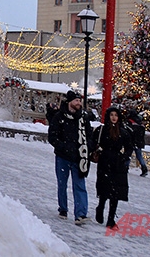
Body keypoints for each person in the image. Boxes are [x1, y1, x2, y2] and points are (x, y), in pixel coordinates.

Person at [47, 90, 94, 225]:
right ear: (69, 102)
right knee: (62, 184)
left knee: (79, 185)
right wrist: (63, 147)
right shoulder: (59, 117)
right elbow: (52, 136)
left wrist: (88, 146)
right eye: (76, 101)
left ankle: (80, 214)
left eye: (80, 101)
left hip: (79, 157)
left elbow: (90, 135)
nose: (79, 103)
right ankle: (63, 208)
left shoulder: (83, 118)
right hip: (63, 157)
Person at [92, 106, 134, 230]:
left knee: (115, 193)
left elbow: (129, 147)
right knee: (105, 189)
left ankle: (111, 219)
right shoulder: (102, 130)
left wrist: (124, 156)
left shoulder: (123, 131)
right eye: (111, 115)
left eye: (116, 115)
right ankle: (100, 207)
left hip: (117, 164)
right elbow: (93, 142)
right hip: (105, 162)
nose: (114, 118)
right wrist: (97, 150)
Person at [127, 109, 149, 176]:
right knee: (139, 156)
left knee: (128, 155)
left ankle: (125, 167)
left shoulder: (130, 122)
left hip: (132, 141)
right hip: (139, 142)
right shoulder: (140, 123)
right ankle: (144, 168)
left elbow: (129, 132)